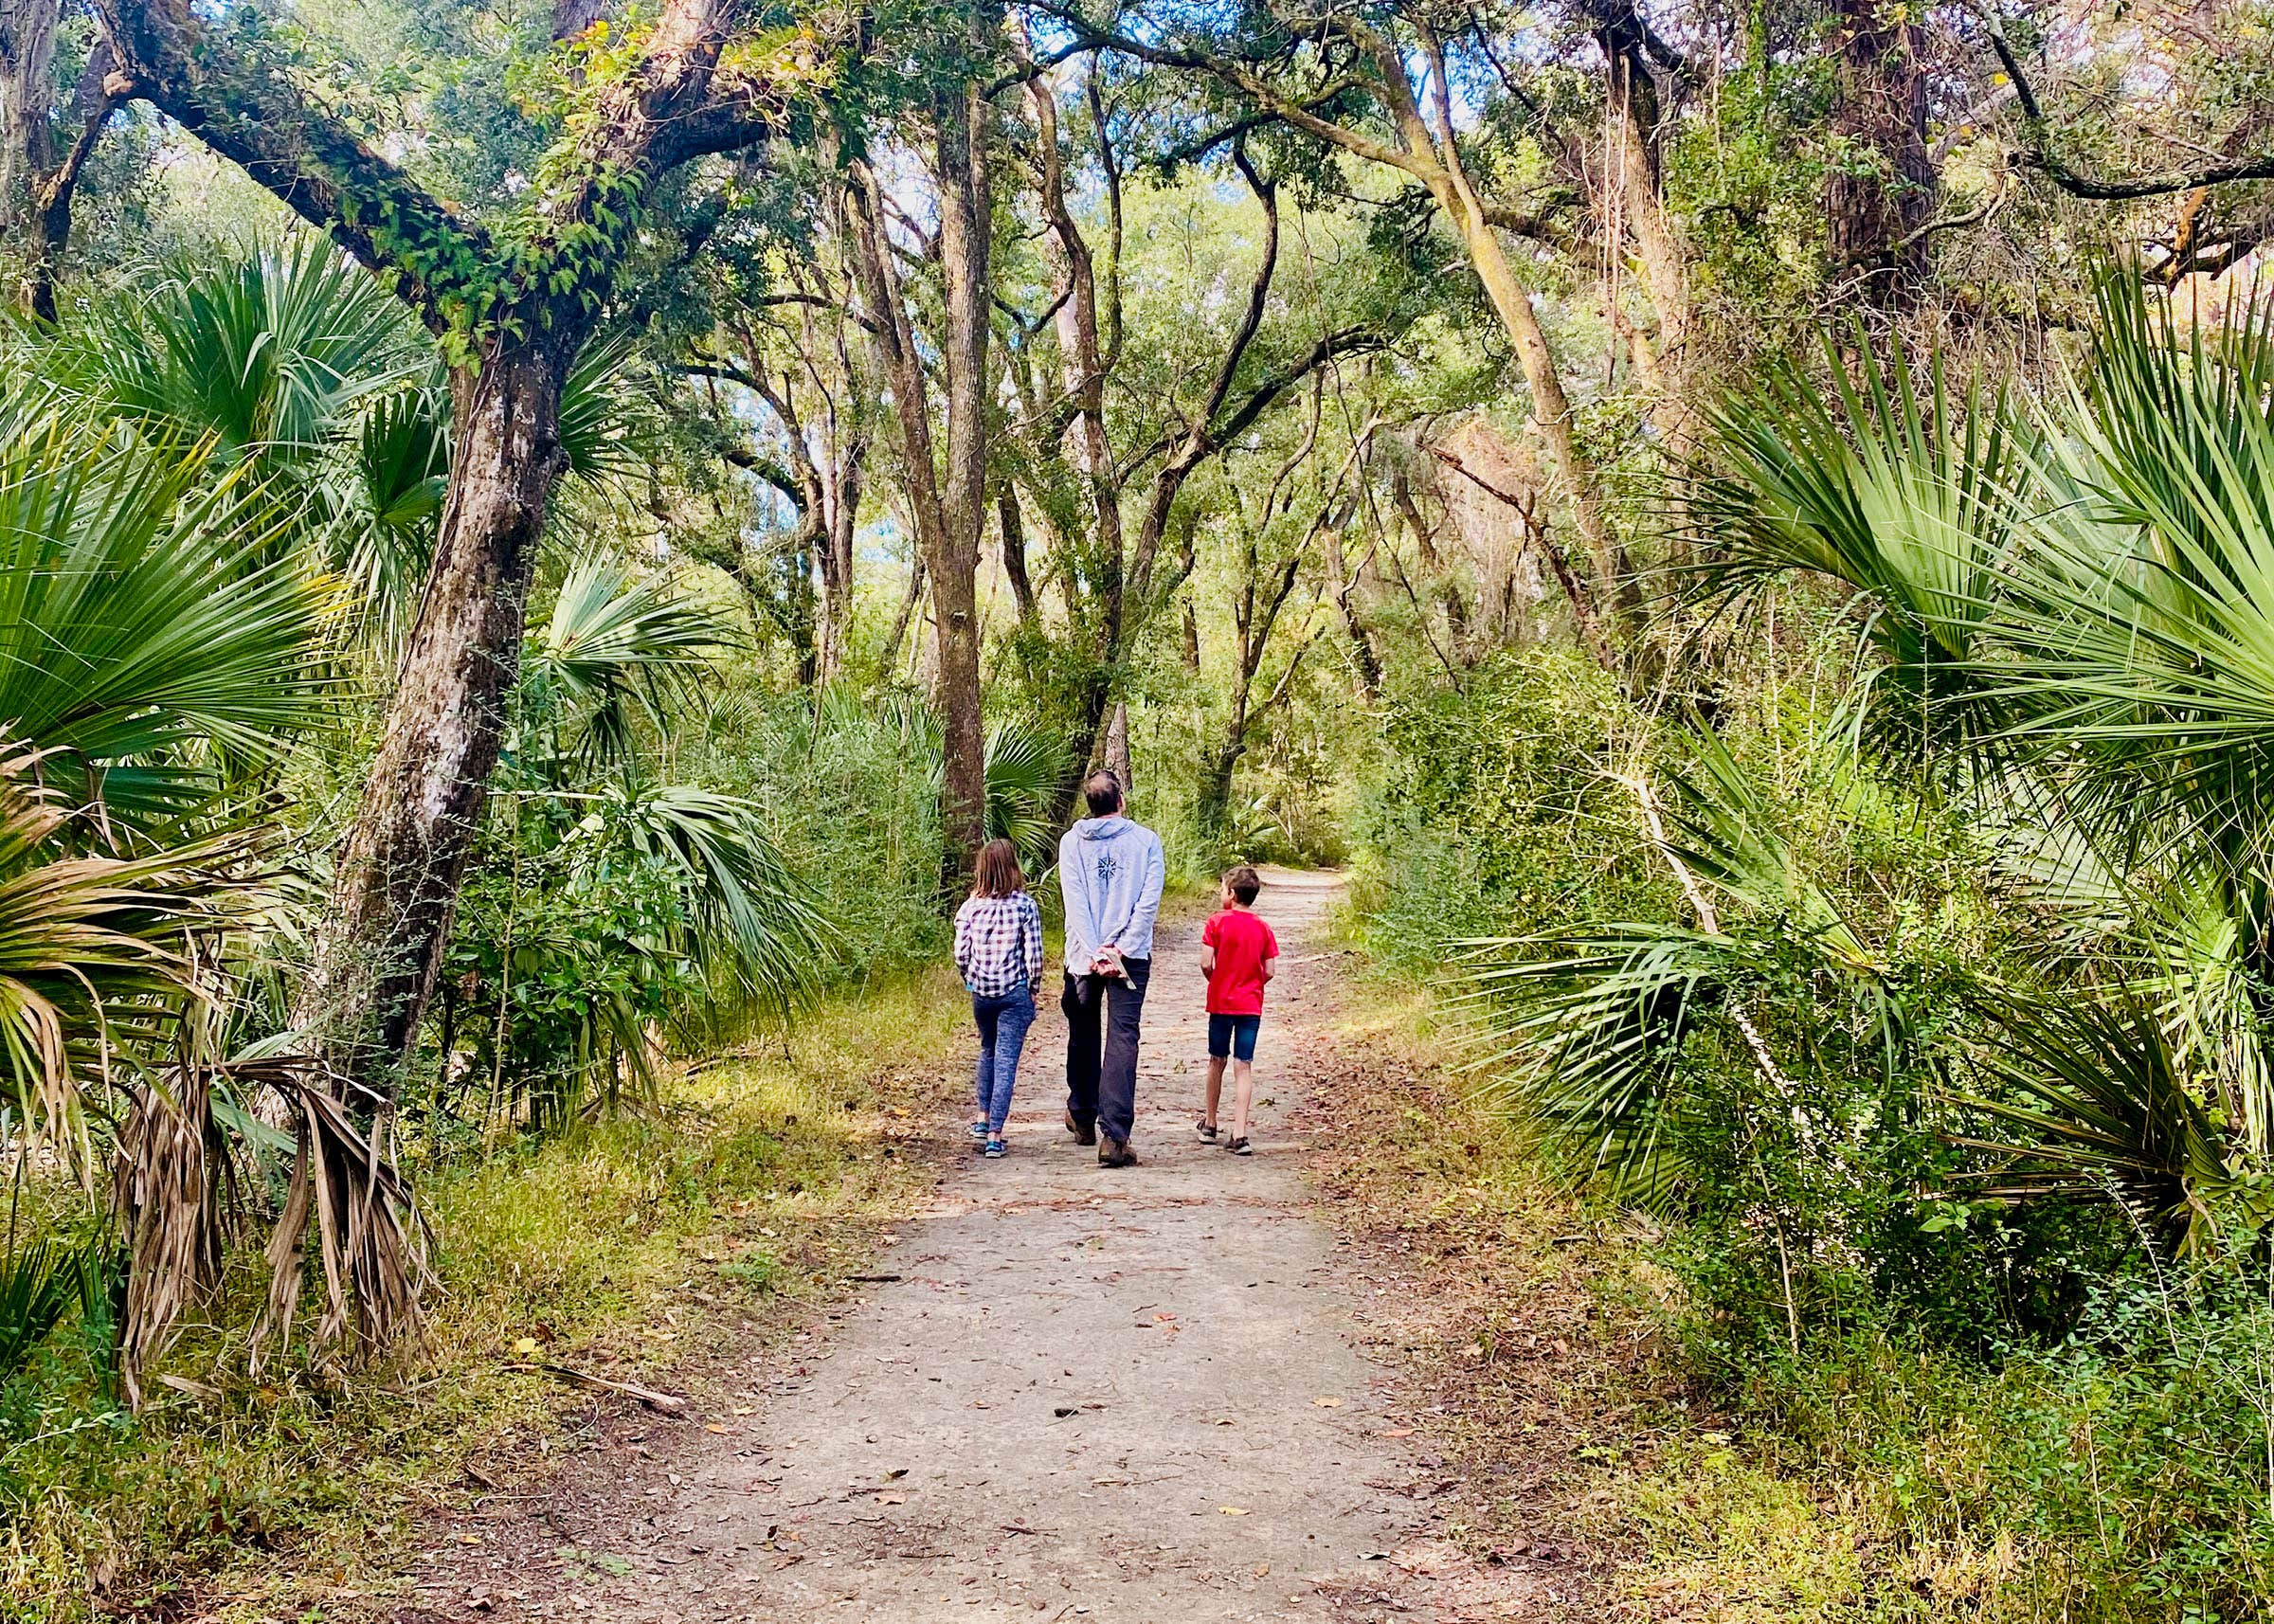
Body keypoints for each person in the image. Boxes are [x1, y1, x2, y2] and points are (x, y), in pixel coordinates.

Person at [1057, 769, 1165, 1168]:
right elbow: (1147, 904)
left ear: (1090, 804)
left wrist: (1096, 950)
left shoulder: (1072, 843)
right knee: (1123, 1036)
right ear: (1120, 801)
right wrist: (1118, 949)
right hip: (1130, 955)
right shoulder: (1146, 843)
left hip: (1084, 956)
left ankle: (1083, 1117)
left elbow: (1076, 903)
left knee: (1083, 1031)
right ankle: (1114, 1137)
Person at [953, 838, 1044, 1159]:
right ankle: (995, 1135)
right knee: (1006, 1059)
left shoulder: (970, 908)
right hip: (1014, 992)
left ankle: (982, 1118)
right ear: (1012, 867)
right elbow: (1034, 955)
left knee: (988, 1049)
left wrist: (971, 981)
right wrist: (1033, 988)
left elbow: (961, 954)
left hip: (982, 994)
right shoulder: (1024, 905)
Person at [1197, 864, 1279, 1156]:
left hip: (1221, 1003)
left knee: (1216, 1059)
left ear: (1231, 893)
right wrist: (1253, 984)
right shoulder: (1262, 927)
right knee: (1243, 1065)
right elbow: (1269, 969)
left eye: (1222, 889)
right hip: (1250, 1006)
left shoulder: (1216, 922)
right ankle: (1240, 1133)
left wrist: (1216, 980)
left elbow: (1206, 962)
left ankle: (1210, 1122)